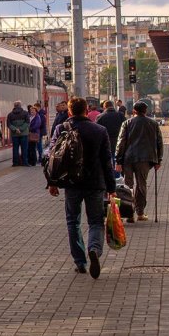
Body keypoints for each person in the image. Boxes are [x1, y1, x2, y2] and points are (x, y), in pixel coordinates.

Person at [46, 97, 117, 278]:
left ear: (69, 111)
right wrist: (111, 187)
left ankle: (80, 262)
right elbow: (107, 161)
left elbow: (51, 157)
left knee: (73, 222)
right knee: (96, 221)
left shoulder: (61, 129)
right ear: (86, 110)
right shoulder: (99, 130)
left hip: (71, 183)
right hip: (95, 183)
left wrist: (52, 182)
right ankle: (94, 249)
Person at [115, 100, 163, 222]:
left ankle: (129, 213)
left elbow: (121, 143)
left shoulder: (127, 123)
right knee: (141, 185)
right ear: (145, 111)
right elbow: (159, 143)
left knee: (128, 186)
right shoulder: (153, 124)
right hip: (145, 159)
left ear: (134, 111)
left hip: (128, 158)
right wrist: (159, 160)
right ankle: (140, 212)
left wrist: (118, 160)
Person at [96, 100, 126, 166]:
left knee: (107, 159)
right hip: (119, 140)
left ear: (104, 107)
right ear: (113, 106)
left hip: (106, 140)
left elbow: (97, 130)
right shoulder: (120, 115)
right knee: (117, 158)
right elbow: (126, 128)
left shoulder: (100, 117)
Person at [7, 101, 30, 166]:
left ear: (14, 106)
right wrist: (21, 129)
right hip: (24, 134)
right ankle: (25, 162)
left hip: (14, 134)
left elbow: (9, 124)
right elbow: (27, 122)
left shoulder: (10, 114)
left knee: (15, 149)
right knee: (24, 149)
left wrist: (15, 129)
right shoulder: (25, 113)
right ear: (20, 105)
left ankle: (15, 163)